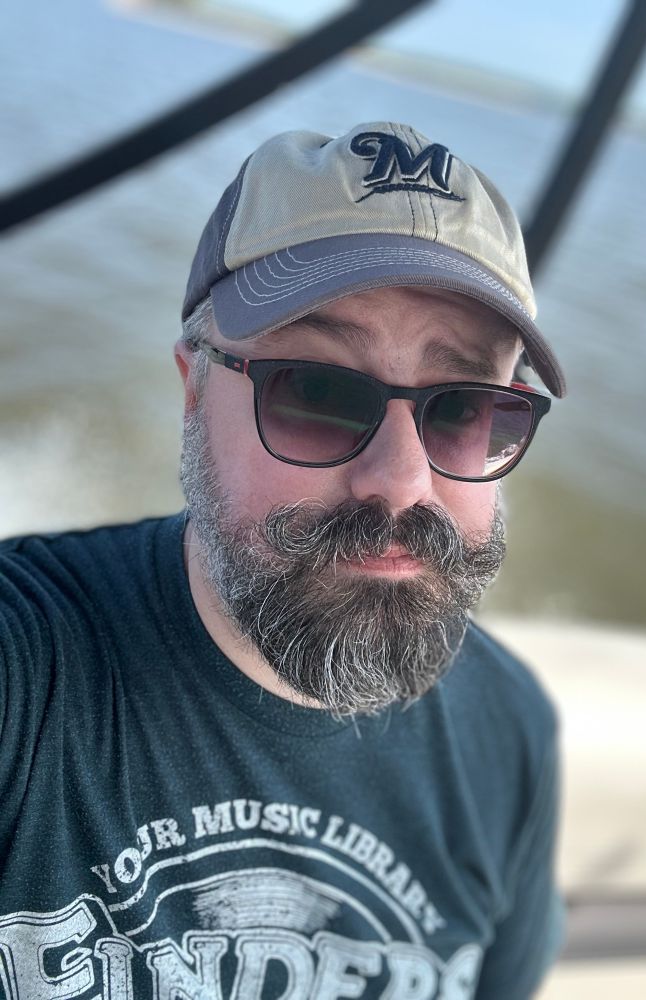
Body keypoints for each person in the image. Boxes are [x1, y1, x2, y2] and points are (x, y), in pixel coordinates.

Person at [0, 122, 567, 999]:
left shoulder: (509, 734)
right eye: (318, 390)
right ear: (193, 391)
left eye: (460, 407)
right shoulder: (29, 672)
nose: (402, 484)